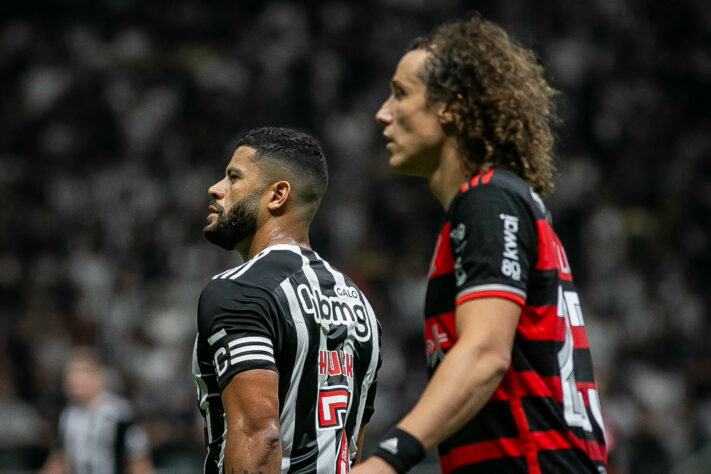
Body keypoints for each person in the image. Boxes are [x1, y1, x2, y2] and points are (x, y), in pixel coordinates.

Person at [353, 14, 607, 474]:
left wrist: (388, 460)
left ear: (450, 106)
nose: (383, 112)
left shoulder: (489, 201)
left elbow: (486, 353)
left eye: (400, 93)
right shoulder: (497, 202)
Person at [193, 126, 382, 473]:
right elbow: (352, 446)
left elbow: (259, 437)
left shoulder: (241, 290)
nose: (216, 188)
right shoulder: (361, 306)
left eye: (233, 177)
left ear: (277, 195)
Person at [40, 347, 154, 474]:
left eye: (82, 373)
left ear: (97, 376)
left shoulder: (119, 413)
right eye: (71, 375)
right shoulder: (68, 416)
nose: (75, 380)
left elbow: (138, 461)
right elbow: (59, 460)